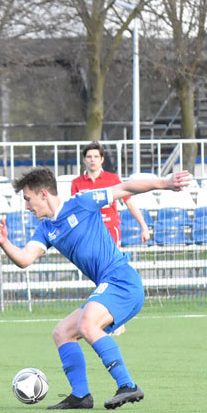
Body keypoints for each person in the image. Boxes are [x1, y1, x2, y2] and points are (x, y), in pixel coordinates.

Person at [0, 167, 191, 409]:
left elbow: (125, 188)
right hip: (110, 285)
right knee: (62, 332)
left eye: (28, 199)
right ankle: (81, 396)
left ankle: (127, 385)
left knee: (87, 324)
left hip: (122, 280)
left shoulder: (82, 202)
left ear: (43, 194)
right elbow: (24, 259)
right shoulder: (46, 229)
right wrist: (4, 242)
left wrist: (167, 183)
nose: (27, 207)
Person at [70, 142, 151, 337]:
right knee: (99, 276)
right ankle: (105, 315)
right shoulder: (77, 183)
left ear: (102, 159)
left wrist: (144, 226)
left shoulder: (112, 179)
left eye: (96, 157)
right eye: (89, 157)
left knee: (112, 273)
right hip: (90, 235)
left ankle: (117, 318)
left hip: (110, 229)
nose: (92, 160)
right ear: (84, 159)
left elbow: (130, 203)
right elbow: (76, 211)